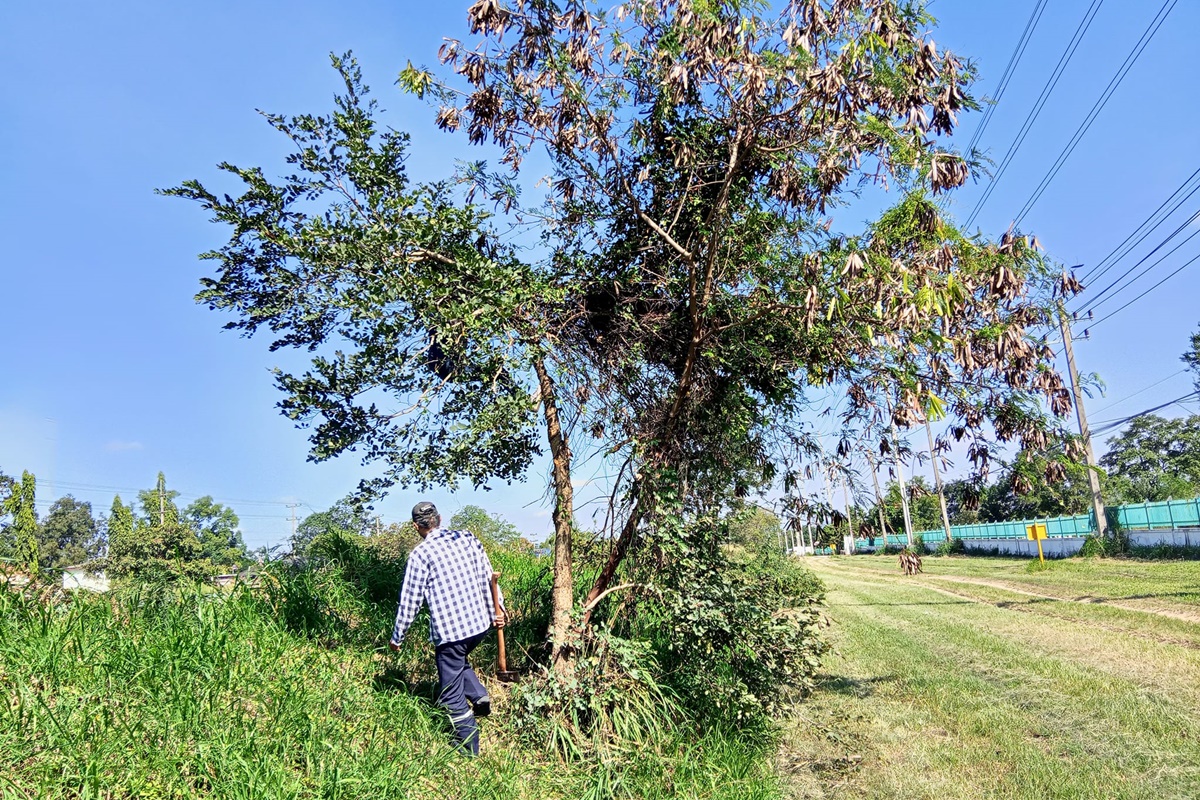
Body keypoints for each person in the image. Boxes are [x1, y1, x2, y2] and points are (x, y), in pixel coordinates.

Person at [389, 501, 506, 755]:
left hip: (452, 633)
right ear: (439, 519)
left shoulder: (420, 555)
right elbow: (489, 577)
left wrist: (398, 637)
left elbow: (410, 600)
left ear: (416, 527)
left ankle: (467, 747)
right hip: (480, 625)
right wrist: (500, 610)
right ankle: (478, 694)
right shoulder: (467, 538)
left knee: (450, 692)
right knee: (455, 661)